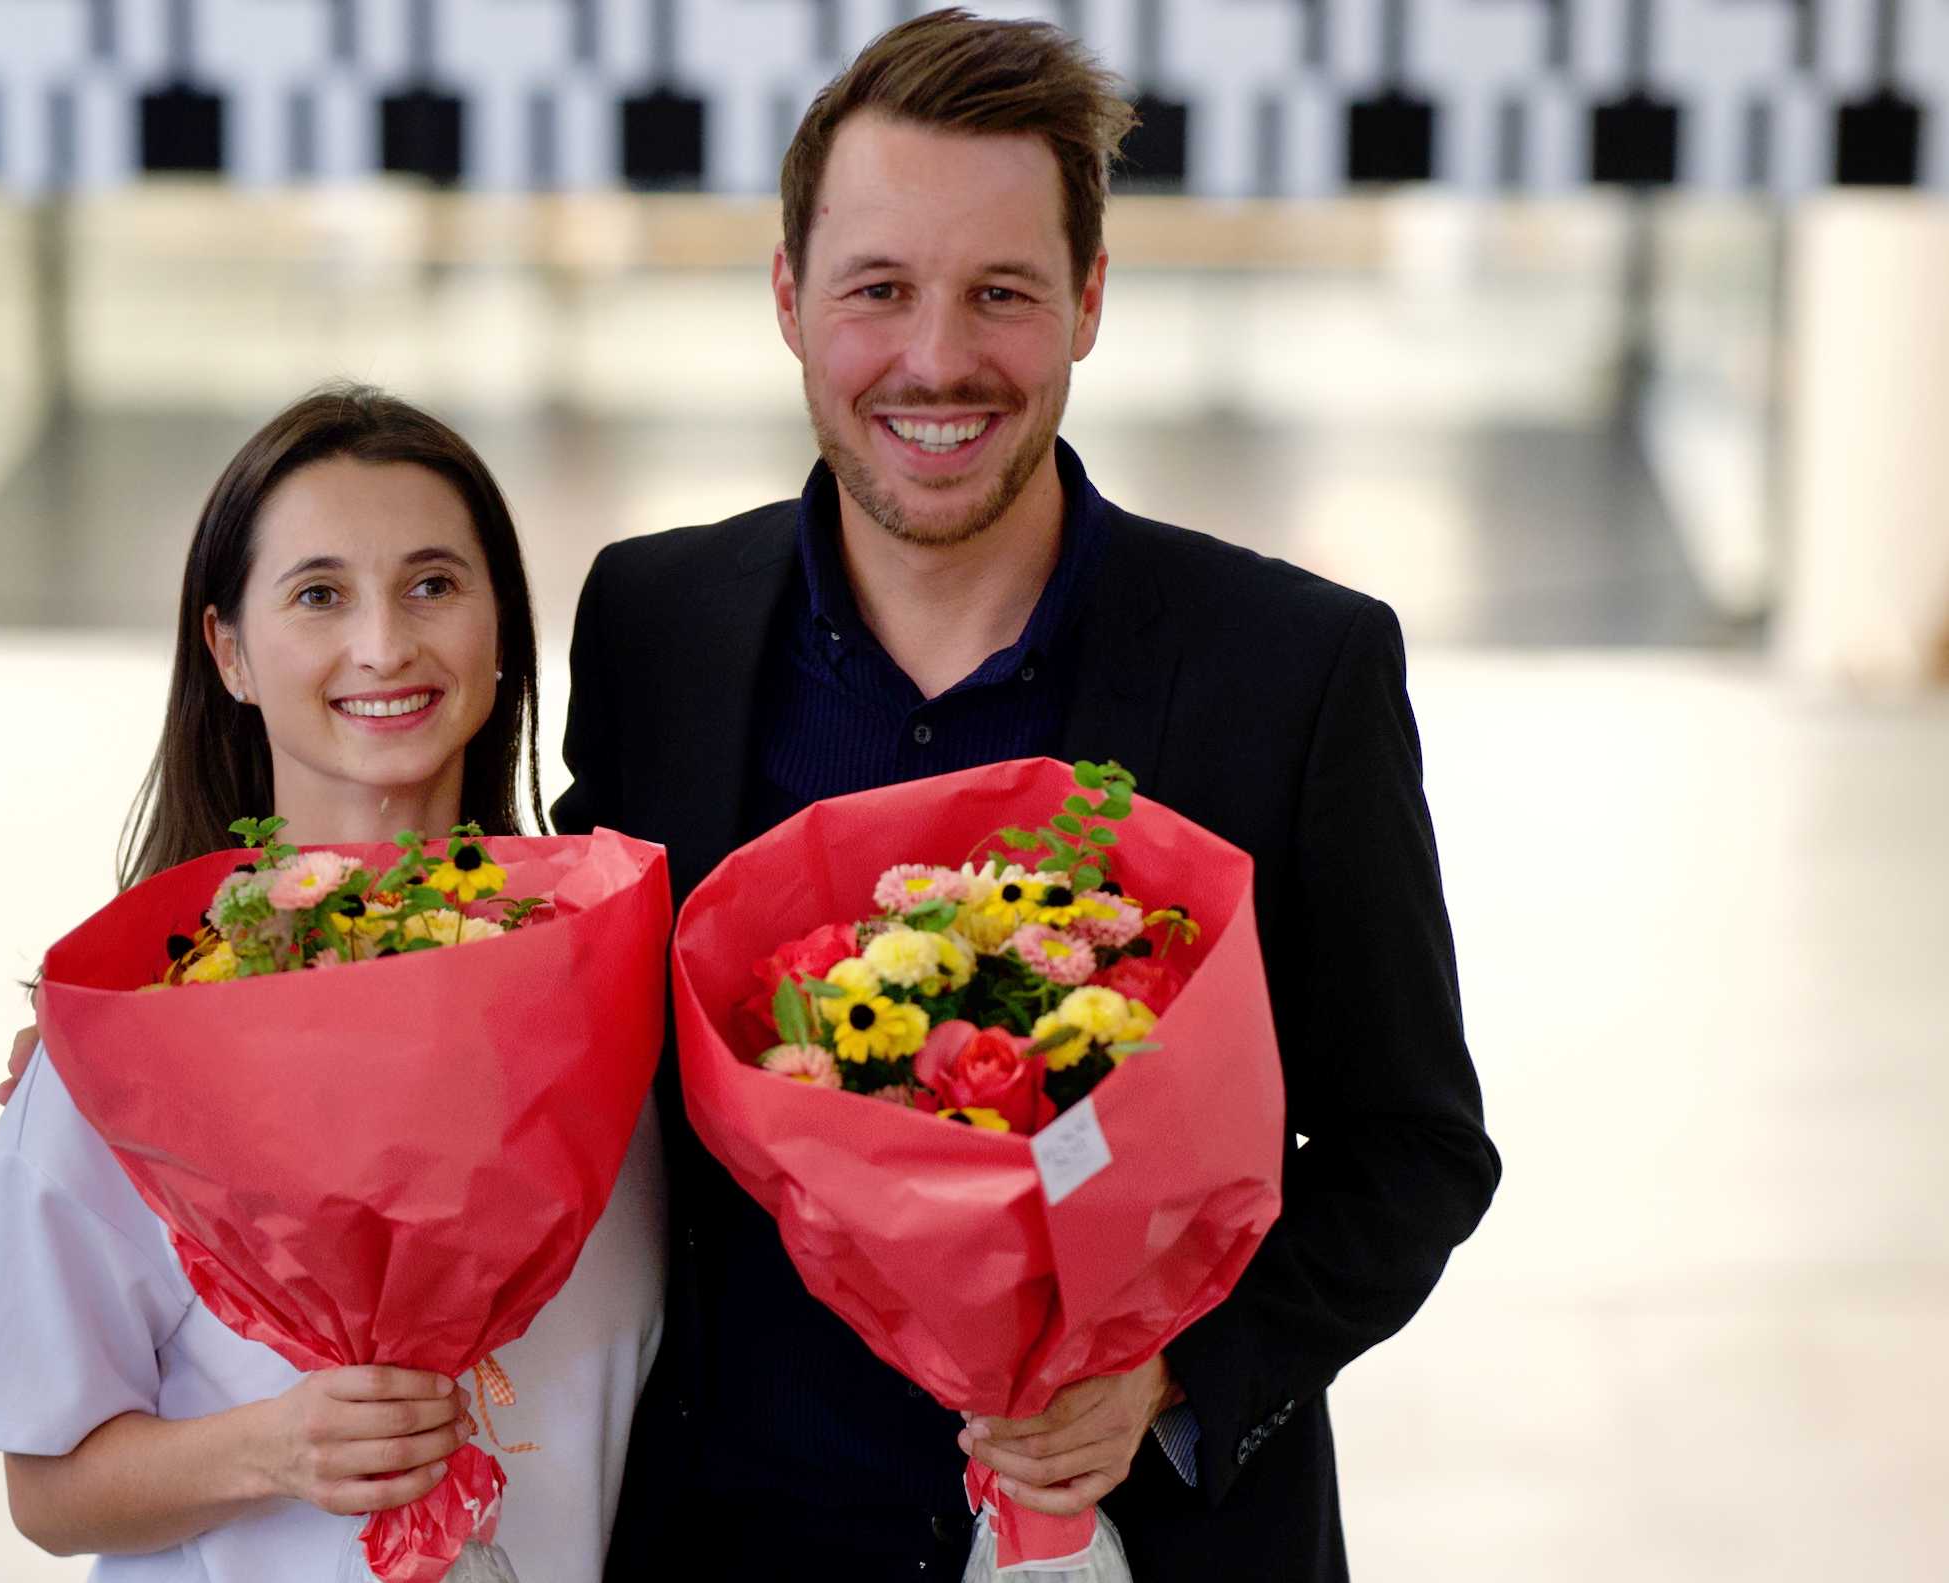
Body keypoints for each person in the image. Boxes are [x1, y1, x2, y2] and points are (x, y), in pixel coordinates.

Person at [552, 11, 1499, 1581]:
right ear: (788, 300)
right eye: (877, 290)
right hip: (742, 1534)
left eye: (1001, 291)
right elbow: (557, 1005)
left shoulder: (1291, 666)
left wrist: (1174, 1372)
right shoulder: (657, 626)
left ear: (1090, 303)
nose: (935, 359)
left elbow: (1413, 1147)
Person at [0, 386, 665, 1581]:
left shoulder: (608, 991)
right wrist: (275, 1448)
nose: (385, 644)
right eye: (318, 594)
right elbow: (49, 1485)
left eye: (433, 584)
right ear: (229, 652)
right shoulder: (135, 1032)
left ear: (501, 629)